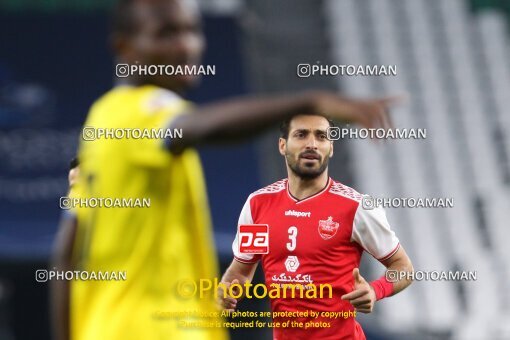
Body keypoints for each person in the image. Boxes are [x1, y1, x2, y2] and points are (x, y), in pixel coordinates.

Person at [50, 0, 398, 339]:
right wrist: (307, 102)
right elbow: (193, 127)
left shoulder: (101, 123)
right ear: (125, 47)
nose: (186, 45)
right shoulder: (141, 112)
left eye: (192, 31)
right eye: (166, 33)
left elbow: (65, 254)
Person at [220, 114, 414, 340]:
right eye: (301, 135)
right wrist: (225, 293)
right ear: (282, 145)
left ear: (330, 148)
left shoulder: (357, 207)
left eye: (321, 136)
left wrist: (374, 290)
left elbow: (403, 267)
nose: (311, 143)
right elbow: (241, 272)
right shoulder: (258, 204)